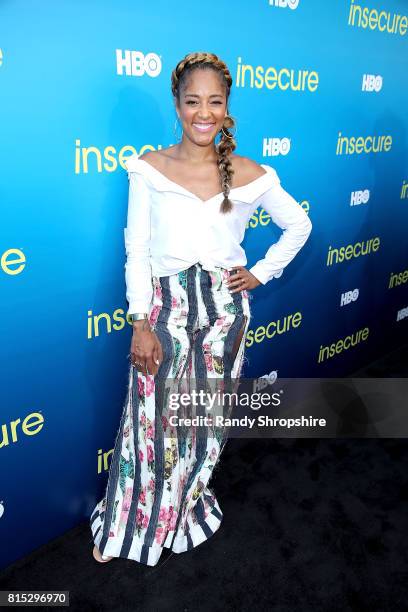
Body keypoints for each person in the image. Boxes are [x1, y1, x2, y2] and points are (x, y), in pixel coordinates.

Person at [90, 51, 312, 566]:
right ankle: (131, 524)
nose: (203, 112)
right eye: (193, 101)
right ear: (177, 104)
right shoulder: (148, 168)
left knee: (203, 421)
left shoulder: (248, 172)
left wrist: (261, 271)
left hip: (224, 314)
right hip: (162, 311)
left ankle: (182, 510)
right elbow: (138, 251)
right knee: (149, 420)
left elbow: (298, 226)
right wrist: (140, 321)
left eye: (214, 101)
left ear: (227, 107)